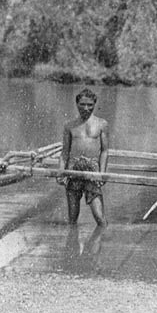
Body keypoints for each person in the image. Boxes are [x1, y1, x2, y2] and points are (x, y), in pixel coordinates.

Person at [57, 88, 110, 226]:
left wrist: (102, 173)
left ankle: (102, 242)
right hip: (73, 170)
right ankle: (72, 245)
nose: (86, 108)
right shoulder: (69, 126)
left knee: (100, 218)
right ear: (77, 104)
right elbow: (65, 152)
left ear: (94, 104)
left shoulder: (101, 124)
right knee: (72, 219)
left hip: (92, 171)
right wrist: (61, 171)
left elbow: (104, 151)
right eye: (82, 104)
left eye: (90, 105)